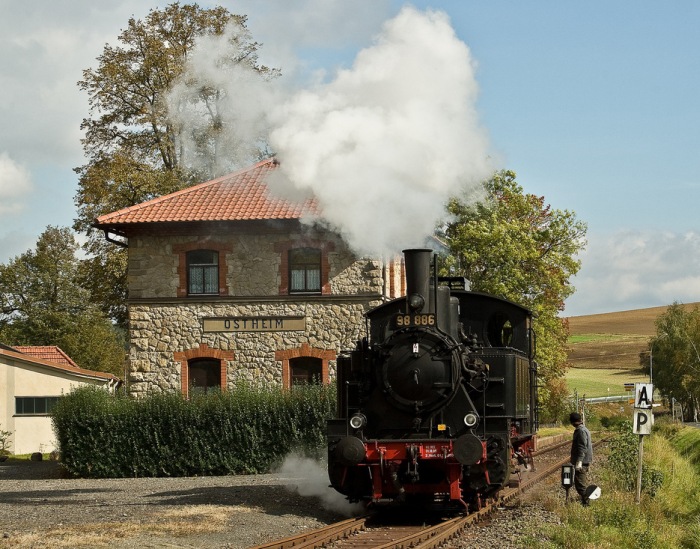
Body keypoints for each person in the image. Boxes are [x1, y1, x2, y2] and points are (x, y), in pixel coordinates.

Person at [569, 411, 593, 505]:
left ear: (573, 422)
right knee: (580, 483)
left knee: (580, 485)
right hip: (584, 460)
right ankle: (585, 502)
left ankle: (587, 503)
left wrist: (579, 461)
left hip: (582, 462)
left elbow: (582, 447)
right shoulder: (584, 429)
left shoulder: (581, 431)